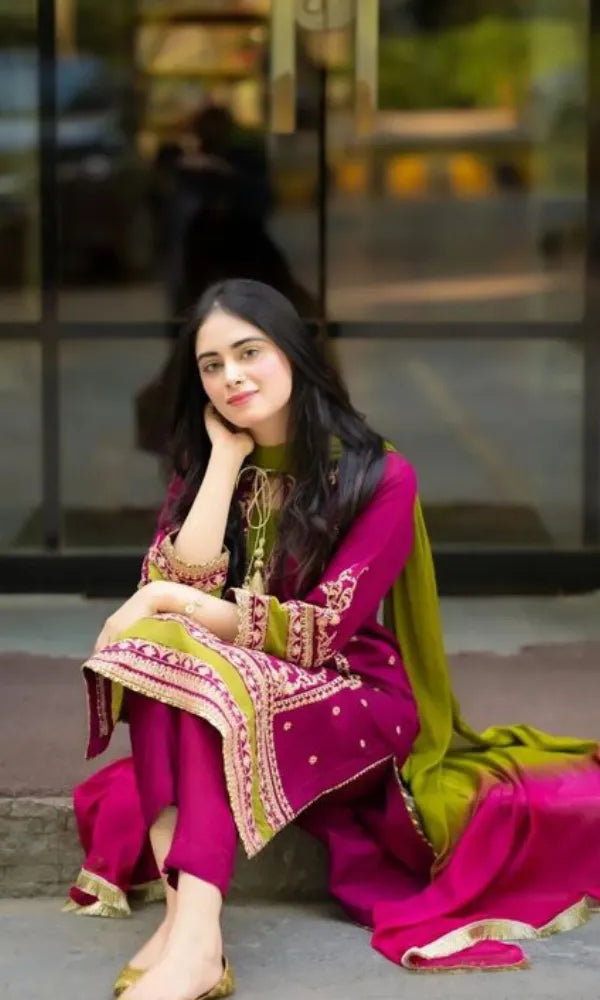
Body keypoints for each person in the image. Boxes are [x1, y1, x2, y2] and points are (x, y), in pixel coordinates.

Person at [72, 279, 600, 999]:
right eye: (211, 364)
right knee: (167, 654)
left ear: (292, 352)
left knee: (183, 655)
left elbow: (318, 632)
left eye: (249, 352)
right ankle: (190, 926)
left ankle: (193, 939)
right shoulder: (204, 465)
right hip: (235, 678)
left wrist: (167, 599)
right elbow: (175, 589)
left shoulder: (378, 476)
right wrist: (225, 464)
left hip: (356, 693)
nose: (232, 376)